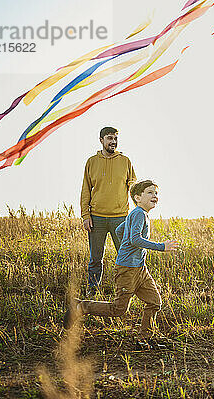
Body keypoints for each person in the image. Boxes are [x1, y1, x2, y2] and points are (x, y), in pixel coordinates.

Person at [65, 180, 178, 348]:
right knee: (118, 310)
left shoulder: (139, 214)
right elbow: (135, 239)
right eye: (150, 192)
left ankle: (144, 339)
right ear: (137, 197)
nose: (154, 196)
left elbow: (120, 231)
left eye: (156, 193)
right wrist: (162, 247)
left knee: (154, 302)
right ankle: (81, 306)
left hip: (140, 268)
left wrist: (127, 245)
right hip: (127, 269)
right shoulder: (138, 213)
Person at [81, 126, 136, 296]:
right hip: (97, 218)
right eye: (110, 138)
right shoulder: (91, 162)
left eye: (115, 138)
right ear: (101, 140)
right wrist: (85, 215)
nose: (113, 142)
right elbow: (85, 190)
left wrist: (138, 212)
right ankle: (93, 289)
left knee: (125, 256)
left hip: (120, 218)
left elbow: (133, 187)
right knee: (95, 258)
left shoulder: (125, 161)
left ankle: (125, 289)